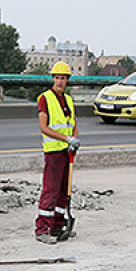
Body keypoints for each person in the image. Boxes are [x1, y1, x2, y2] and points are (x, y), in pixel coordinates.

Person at [34, 62, 81, 245]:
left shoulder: (69, 100)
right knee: (51, 190)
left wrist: (74, 140)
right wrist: (66, 139)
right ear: (53, 78)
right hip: (54, 152)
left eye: (63, 78)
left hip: (67, 152)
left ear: (67, 80)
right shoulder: (44, 98)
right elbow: (44, 127)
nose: (60, 81)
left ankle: (58, 225)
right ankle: (42, 229)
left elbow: (74, 123)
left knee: (64, 191)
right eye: (57, 78)